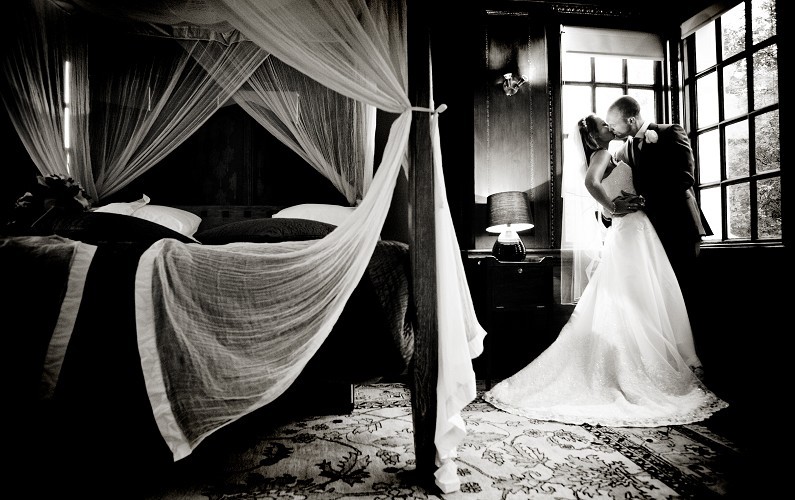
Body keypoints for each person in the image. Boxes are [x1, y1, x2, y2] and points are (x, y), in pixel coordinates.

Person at [483, 114, 727, 427]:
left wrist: (615, 206)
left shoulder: (615, 153)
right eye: (603, 125)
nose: (609, 127)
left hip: (637, 230)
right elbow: (591, 184)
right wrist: (613, 207)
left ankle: (649, 357)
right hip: (630, 232)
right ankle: (636, 365)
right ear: (592, 137)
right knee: (635, 295)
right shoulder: (600, 155)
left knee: (641, 295)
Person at [604, 96, 711, 317]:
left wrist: (644, 200)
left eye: (614, 124)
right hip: (649, 232)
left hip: (679, 225)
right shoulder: (623, 150)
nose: (611, 129)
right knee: (662, 294)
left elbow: (685, 177)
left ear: (630, 119)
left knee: (686, 290)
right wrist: (611, 209)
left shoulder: (670, 132)